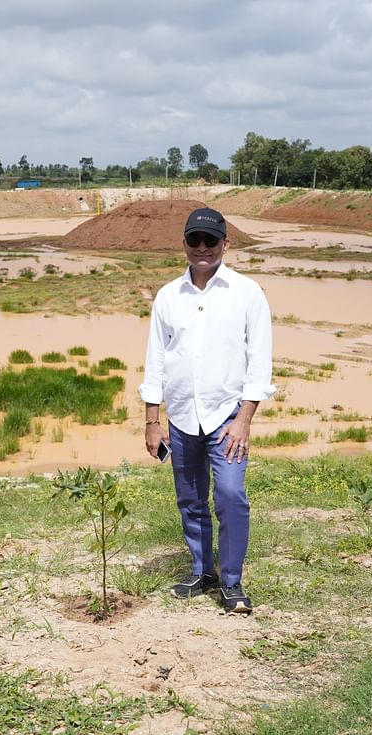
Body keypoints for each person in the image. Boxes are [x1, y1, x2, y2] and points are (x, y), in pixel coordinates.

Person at [139, 207, 275, 614]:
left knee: (231, 495)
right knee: (191, 498)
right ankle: (203, 571)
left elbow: (260, 361)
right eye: (194, 240)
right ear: (183, 244)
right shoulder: (167, 296)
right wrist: (152, 420)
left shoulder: (247, 293)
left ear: (225, 245)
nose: (202, 248)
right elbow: (156, 361)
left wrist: (244, 419)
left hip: (226, 418)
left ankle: (231, 582)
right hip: (180, 418)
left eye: (210, 241)